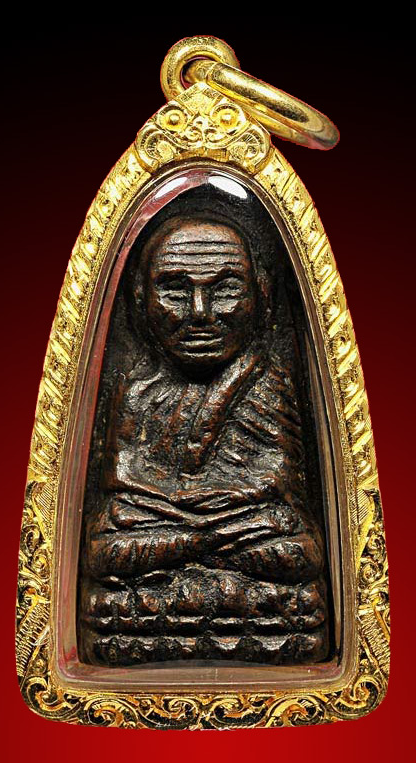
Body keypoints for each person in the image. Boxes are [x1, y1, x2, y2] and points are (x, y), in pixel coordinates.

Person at [79, 212, 328, 666]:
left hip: (239, 529)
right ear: (140, 300)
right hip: (191, 529)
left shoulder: (267, 383)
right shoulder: (135, 390)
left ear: (262, 297)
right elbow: (122, 487)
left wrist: (195, 516)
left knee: (295, 548)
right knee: (105, 548)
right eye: (175, 289)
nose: (199, 312)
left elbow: (277, 482)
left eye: (225, 289)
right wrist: (200, 519)